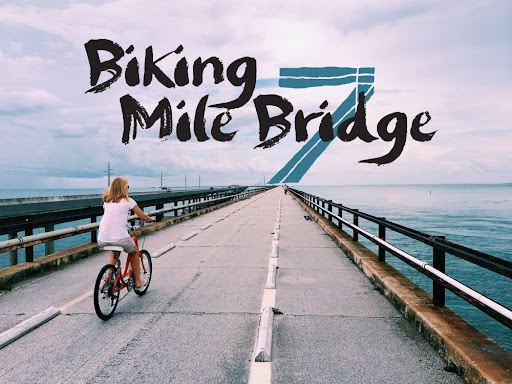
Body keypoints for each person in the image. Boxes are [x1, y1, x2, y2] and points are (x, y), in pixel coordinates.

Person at [97, 177, 155, 290]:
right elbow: (142, 216)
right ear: (124, 188)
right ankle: (138, 281)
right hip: (119, 238)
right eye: (127, 187)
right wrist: (150, 219)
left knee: (114, 250)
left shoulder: (107, 202)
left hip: (102, 238)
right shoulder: (129, 201)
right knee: (134, 252)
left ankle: (109, 277)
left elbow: (112, 218)